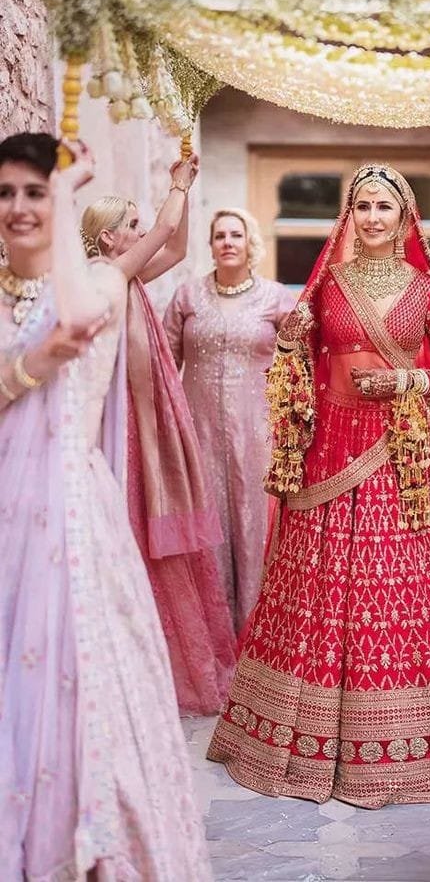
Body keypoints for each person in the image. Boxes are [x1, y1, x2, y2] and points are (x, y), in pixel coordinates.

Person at [207, 164, 430, 808]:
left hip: (398, 458)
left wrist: (403, 383)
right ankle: (292, 738)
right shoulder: (327, 284)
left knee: (388, 586)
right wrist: (291, 350)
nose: (371, 218)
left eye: (383, 207)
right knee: (315, 582)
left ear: (404, 217)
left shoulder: (427, 290)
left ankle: (394, 744)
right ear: (349, 215)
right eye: (361, 206)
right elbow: (295, 360)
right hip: (326, 454)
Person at [0, 132, 211, 879]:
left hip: (72, 509)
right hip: (6, 509)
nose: (21, 207)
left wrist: (173, 185)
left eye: (36, 192)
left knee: (84, 672)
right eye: (8, 193)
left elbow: (160, 246)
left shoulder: (94, 286)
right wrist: (31, 364)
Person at [81, 174, 236, 716]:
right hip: (124, 422)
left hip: (146, 415)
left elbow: (177, 243)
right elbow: (166, 228)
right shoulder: (105, 272)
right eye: (131, 226)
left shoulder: (127, 276)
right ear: (107, 240)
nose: (142, 233)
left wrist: (187, 194)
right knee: (133, 524)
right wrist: (178, 182)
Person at [164, 208, 295, 631]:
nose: (227, 242)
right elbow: (165, 366)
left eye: (236, 234)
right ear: (211, 245)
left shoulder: (276, 299)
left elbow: (302, 365)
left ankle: (260, 634)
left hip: (258, 435)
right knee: (209, 524)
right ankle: (212, 633)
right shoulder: (187, 298)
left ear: (249, 242)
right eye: (219, 235)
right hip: (197, 433)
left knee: (254, 523)